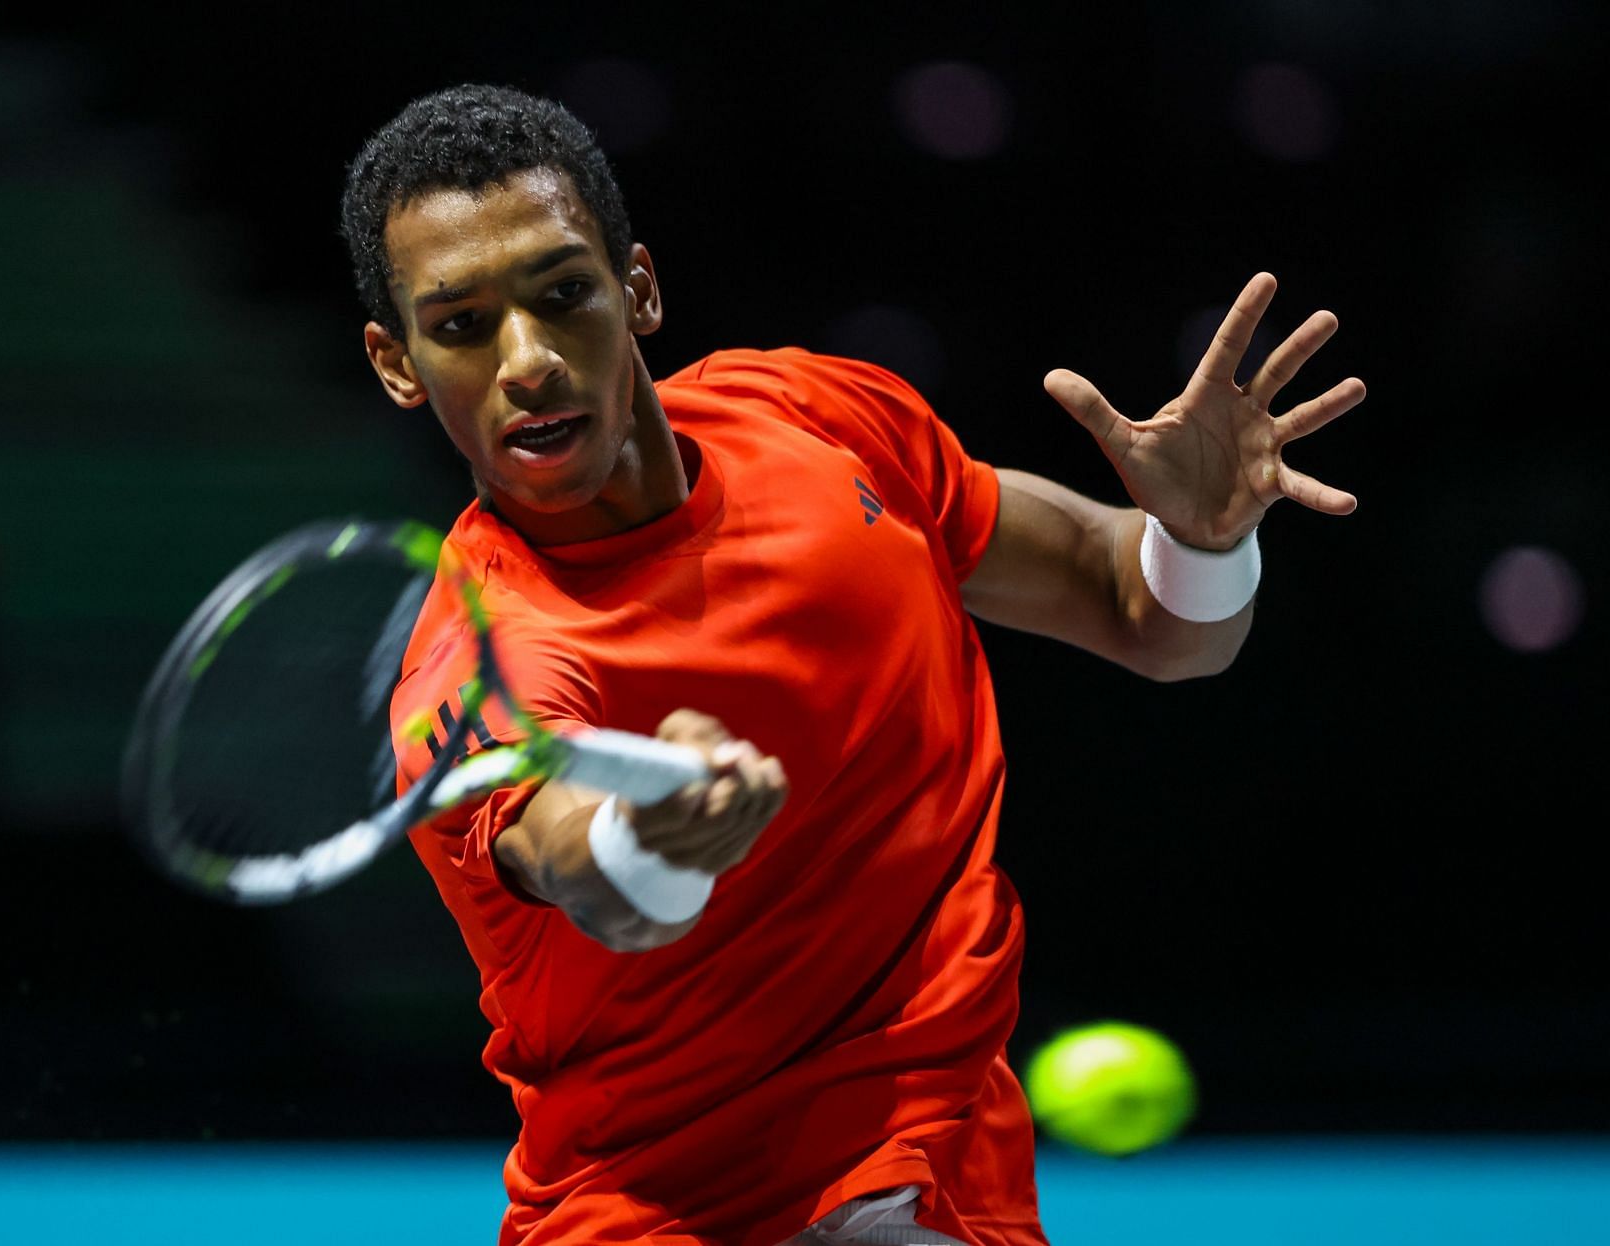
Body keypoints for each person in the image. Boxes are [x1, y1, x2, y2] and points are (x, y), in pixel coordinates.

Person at [341, 84, 1363, 1246]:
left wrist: (1201, 540)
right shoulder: (478, 670)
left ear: (638, 291)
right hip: (673, 1216)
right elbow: (582, 869)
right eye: (462, 325)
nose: (525, 360)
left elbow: (1153, 620)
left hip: (938, 1175)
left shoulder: (818, 417)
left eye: (562, 294)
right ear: (398, 363)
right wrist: (651, 843)